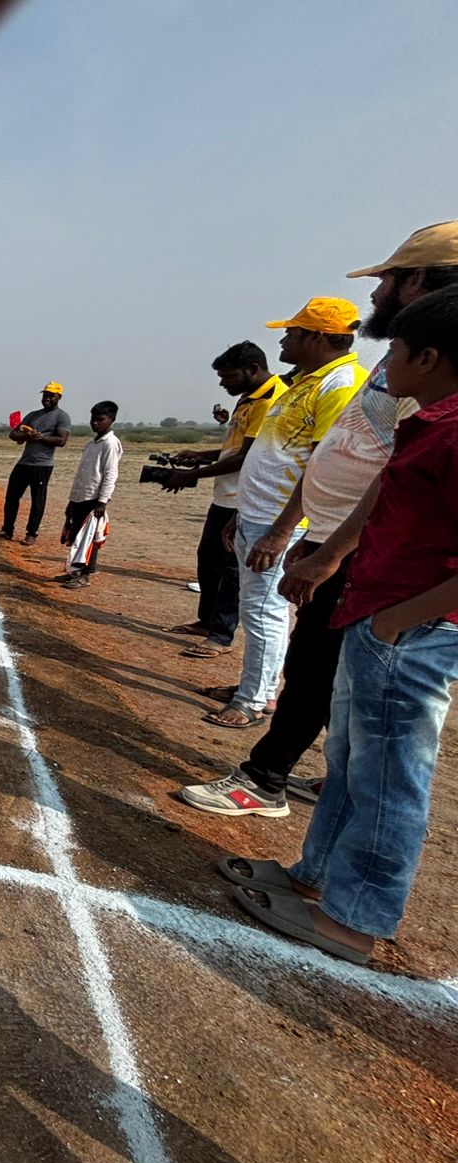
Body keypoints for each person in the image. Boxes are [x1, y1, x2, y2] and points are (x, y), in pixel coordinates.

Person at [182, 222, 458, 816]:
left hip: (367, 553)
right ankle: (330, 779)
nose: (375, 294)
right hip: (331, 540)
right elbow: (331, 455)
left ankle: (267, 777)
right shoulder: (389, 364)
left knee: (321, 671)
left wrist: (327, 549)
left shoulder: (428, 370)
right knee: (325, 671)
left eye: (387, 280)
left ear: (417, 280)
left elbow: (396, 471)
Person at [229, 283, 458, 964]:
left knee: (388, 778)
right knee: (353, 760)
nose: (385, 365)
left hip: (410, 630)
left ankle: (355, 921)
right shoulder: (430, 421)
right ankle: (317, 875)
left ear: (429, 357)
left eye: (398, 350)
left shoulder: (453, 433)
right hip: (375, 610)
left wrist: (396, 622)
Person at [203, 297, 366, 729]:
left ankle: (253, 700)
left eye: (292, 333)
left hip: (280, 522)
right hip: (258, 515)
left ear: (317, 337)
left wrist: (281, 530)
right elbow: (273, 455)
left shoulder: (342, 384)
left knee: (264, 612)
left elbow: (322, 464)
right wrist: (242, 511)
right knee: (255, 607)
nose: (283, 341)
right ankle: (257, 685)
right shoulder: (302, 383)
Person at [162, 344, 285, 656]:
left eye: (228, 376)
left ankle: (221, 635)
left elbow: (248, 457)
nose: (222, 383)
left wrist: (193, 475)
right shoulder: (247, 398)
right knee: (208, 560)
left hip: (247, 499)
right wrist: (201, 456)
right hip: (224, 497)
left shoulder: (271, 400)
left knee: (231, 570)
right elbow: (235, 449)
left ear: (252, 369)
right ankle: (206, 621)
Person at [55, 402, 122, 589]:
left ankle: (85, 575)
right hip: (80, 496)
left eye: (100, 419)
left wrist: (102, 501)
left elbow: (110, 474)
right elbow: (82, 473)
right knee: (76, 535)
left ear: (111, 420)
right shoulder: (91, 444)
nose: (95, 423)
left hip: (93, 498)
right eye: (93, 419)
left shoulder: (110, 444)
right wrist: (72, 500)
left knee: (88, 537)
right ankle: (74, 571)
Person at [0, 382, 71, 544]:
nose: (47, 399)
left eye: (51, 396)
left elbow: (61, 440)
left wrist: (41, 437)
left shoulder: (62, 416)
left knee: (37, 500)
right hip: (25, 462)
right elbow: (13, 434)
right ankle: (7, 530)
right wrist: (27, 436)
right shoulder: (33, 415)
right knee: (11, 497)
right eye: (45, 395)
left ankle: (31, 533)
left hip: (42, 464)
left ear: (59, 397)